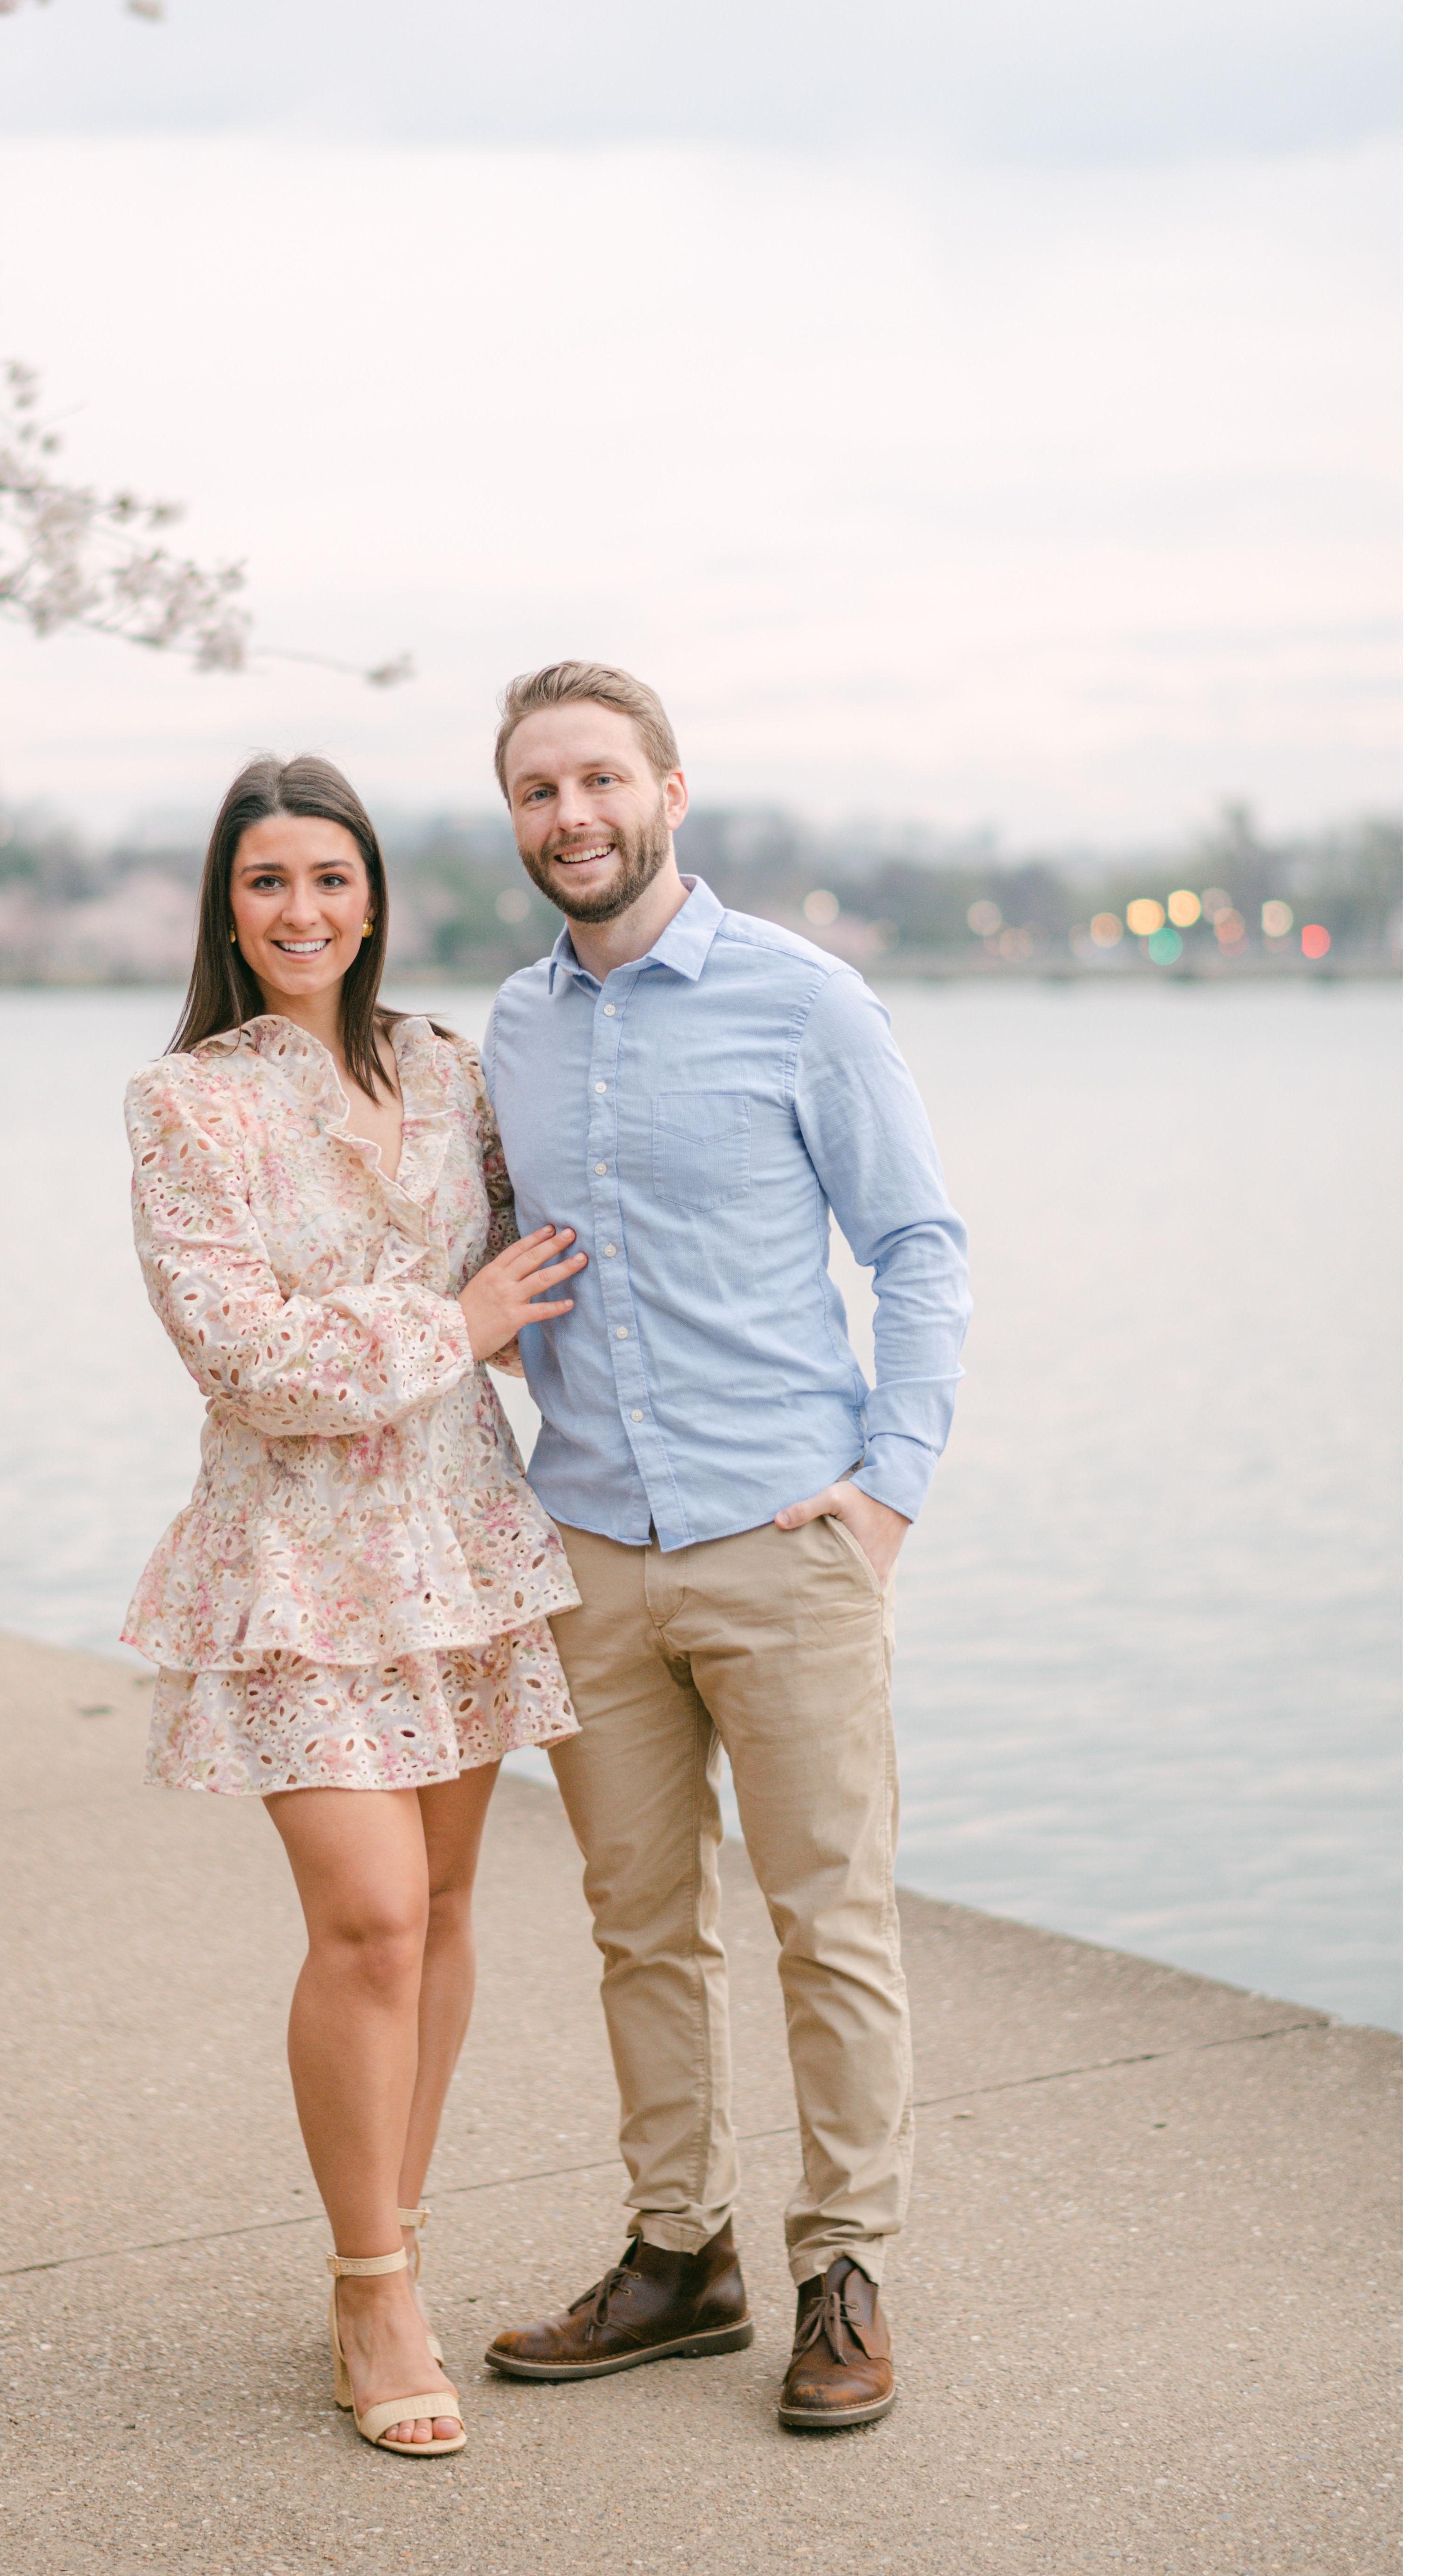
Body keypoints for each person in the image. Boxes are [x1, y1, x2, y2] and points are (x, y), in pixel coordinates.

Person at [476, 661, 972, 2432]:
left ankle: (842, 2264)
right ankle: (678, 2257)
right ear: (517, 818)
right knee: (637, 1924)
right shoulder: (510, 1036)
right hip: (593, 1541)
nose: (571, 818)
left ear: (670, 792)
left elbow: (916, 1242)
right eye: (538, 792)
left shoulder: (802, 1000)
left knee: (829, 1919)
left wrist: (889, 1487)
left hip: (785, 1537)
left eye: (600, 780)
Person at [123, 753, 589, 2458]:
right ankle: (369, 2288)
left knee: (451, 1900)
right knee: (371, 1915)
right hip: (299, 1561)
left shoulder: (444, 1067)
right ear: (227, 909)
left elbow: (548, 1258)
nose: (301, 910)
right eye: (267, 883)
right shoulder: (188, 1103)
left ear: (373, 896)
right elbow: (248, 1359)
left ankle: (395, 2224)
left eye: (330, 877)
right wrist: (449, 1327)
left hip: (461, 1538)